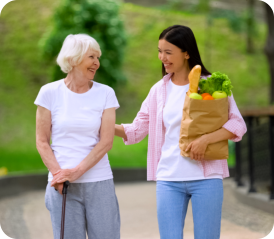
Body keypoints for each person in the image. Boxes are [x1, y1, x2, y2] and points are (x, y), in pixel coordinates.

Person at [115, 25, 247, 239]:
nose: (162, 57)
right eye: (159, 51)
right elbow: (138, 129)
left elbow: (238, 124)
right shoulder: (158, 90)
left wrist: (206, 140)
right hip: (169, 178)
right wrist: (107, 127)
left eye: (168, 52)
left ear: (186, 53)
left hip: (206, 177)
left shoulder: (211, 85)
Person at [35, 34, 120, 239]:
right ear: (73, 58)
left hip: (99, 182)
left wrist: (76, 172)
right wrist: (59, 175)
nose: (97, 63)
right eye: (92, 57)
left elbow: (106, 141)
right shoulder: (49, 92)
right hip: (61, 187)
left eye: (98, 58)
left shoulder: (105, 93)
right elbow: (42, 141)